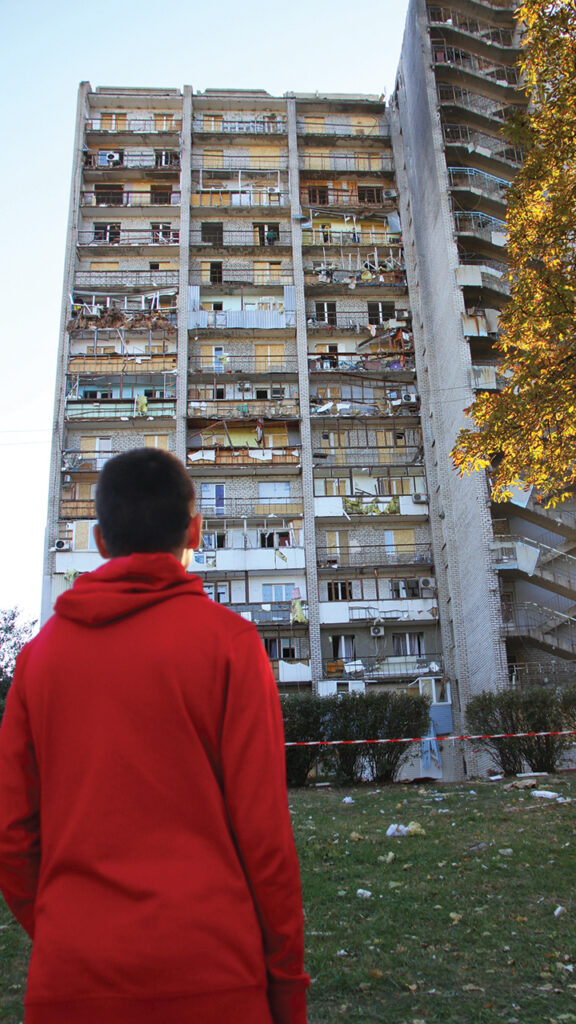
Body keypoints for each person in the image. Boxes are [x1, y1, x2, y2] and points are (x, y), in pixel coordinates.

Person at [0, 448, 309, 1024]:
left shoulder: (37, 662)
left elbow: (13, 839)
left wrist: (72, 931)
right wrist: (287, 989)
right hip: (212, 980)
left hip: (70, 982)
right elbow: (266, 842)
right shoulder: (231, 648)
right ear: (196, 528)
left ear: (98, 539)